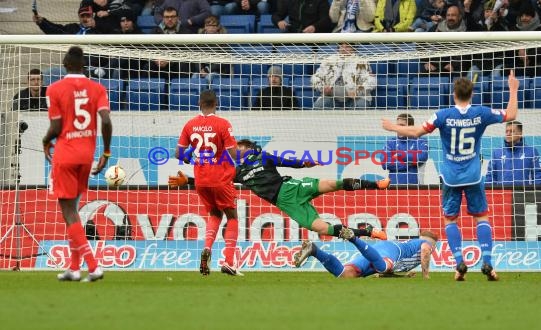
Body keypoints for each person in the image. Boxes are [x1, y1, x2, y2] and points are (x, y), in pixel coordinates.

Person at [381, 70, 521, 281]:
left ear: (454, 94)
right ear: (471, 95)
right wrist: (513, 89)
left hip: (450, 177)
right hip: (473, 175)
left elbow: (417, 132)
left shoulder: (442, 115)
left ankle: (458, 264)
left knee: (450, 220)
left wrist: (393, 126)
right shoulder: (481, 113)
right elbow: (511, 115)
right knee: (481, 217)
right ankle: (488, 264)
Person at [169, 138, 390, 240]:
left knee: (332, 184)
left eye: (239, 147)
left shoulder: (262, 156)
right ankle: (369, 232)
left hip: (290, 187)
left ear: (247, 148)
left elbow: (286, 161)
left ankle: (376, 185)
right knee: (321, 229)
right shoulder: (236, 173)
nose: (235, 150)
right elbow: (215, 180)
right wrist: (187, 181)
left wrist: (305, 163)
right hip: (285, 203)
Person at [42, 46, 113, 282]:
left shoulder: (54, 89)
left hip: (65, 154)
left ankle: (93, 266)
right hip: (87, 156)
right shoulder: (97, 88)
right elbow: (106, 121)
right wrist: (106, 152)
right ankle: (74, 267)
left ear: (64, 63)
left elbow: (57, 126)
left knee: (69, 211)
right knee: (73, 210)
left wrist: (45, 140)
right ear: (83, 65)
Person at [171, 90, 242, 277]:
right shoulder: (223, 124)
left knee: (214, 214)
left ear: (199, 103)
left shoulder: (190, 124)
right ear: (216, 103)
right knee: (232, 216)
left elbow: (178, 154)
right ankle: (228, 261)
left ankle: (207, 249)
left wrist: (190, 157)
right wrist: (250, 157)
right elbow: (234, 154)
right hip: (221, 178)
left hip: (201, 180)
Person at [294, 228, 439, 279]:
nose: (433, 248)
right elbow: (426, 250)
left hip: (380, 255)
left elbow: (387, 272)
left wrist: (402, 277)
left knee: (346, 274)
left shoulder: (415, 247)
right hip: (392, 249)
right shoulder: (425, 244)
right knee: (383, 266)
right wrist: (425, 276)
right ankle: (353, 238)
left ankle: (314, 250)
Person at [311, 43, 375, 109]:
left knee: (361, 105)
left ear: (353, 48)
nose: (343, 49)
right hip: (331, 97)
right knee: (319, 105)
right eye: (341, 46)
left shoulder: (362, 62)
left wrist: (358, 92)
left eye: (347, 46)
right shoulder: (328, 61)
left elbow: (371, 81)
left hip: (355, 98)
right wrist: (323, 88)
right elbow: (315, 78)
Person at [485, 120, 541, 186]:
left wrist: (533, 194)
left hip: (525, 194)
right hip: (503, 194)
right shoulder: (497, 153)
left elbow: (538, 174)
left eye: (511, 131)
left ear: (520, 133)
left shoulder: (532, 151)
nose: (508, 134)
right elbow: (490, 176)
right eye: (506, 131)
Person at [382, 113, 429, 185]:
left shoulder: (420, 141)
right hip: (393, 188)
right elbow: (385, 164)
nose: (398, 129)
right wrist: (409, 163)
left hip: (415, 187)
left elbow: (422, 157)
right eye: (397, 126)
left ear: (410, 127)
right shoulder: (390, 142)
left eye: (402, 126)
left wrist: (399, 155)